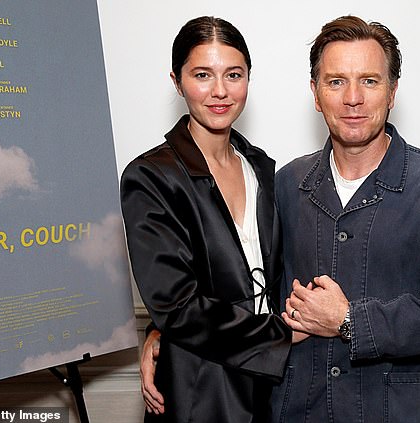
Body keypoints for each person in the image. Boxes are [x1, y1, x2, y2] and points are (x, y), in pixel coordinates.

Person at [140, 15, 420, 423]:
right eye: (336, 81)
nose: (353, 98)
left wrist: (348, 320)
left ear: (392, 92)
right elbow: (236, 271)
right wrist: (162, 328)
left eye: (370, 81)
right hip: (298, 410)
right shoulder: (285, 183)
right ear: (315, 92)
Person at [120, 16, 293, 423]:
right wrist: (281, 335)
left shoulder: (262, 168)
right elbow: (178, 304)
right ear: (177, 82)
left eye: (234, 75)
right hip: (201, 390)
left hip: (274, 387)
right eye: (202, 75)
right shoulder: (150, 176)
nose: (220, 91)